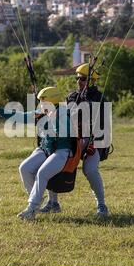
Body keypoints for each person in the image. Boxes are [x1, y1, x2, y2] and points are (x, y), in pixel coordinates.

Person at [0, 87, 72, 221]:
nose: (41, 104)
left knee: (42, 173)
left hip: (61, 151)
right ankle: (38, 200)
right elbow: (22, 116)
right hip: (45, 149)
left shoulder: (63, 113)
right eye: (40, 101)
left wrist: (53, 121)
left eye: (43, 101)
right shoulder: (42, 112)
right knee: (24, 168)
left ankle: (32, 209)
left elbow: (66, 132)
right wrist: (1, 111)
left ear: (52, 101)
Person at [41, 63, 109, 217]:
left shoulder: (100, 98)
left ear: (92, 81)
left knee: (90, 170)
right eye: (78, 78)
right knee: (52, 163)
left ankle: (102, 205)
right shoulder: (72, 96)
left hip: (92, 143)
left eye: (83, 79)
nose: (79, 81)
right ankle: (53, 203)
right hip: (73, 141)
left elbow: (102, 124)